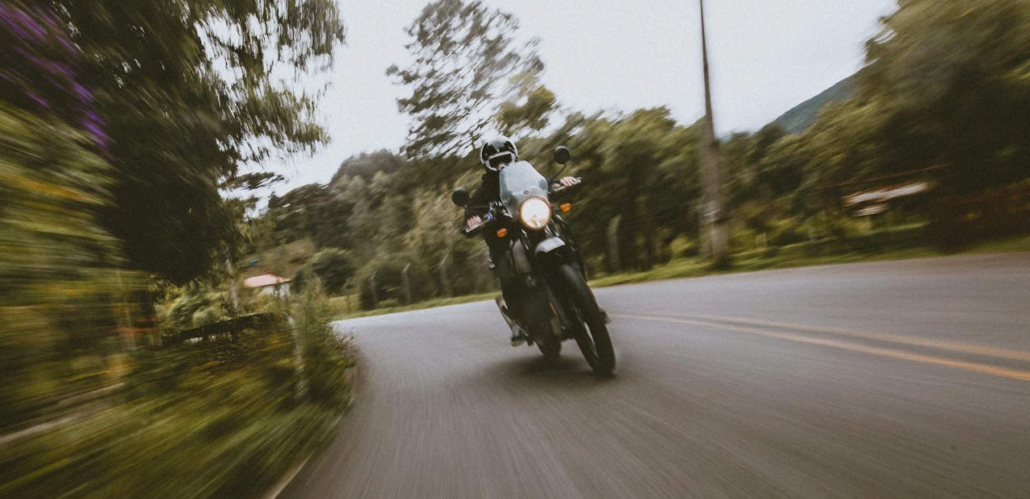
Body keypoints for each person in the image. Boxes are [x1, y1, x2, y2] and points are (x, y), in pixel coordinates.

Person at [464, 136, 579, 346]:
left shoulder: (525, 174)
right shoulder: (484, 191)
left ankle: (585, 295)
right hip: (505, 238)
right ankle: (517, 321)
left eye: (505, 158)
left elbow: (542, 184)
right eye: (495, 161)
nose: (501, 164)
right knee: (506, 270)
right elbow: (472, 210)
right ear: (486, 165)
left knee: (567, 238)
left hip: (535, 225)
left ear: (513, 157)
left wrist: (561, 182)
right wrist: (472, 219)